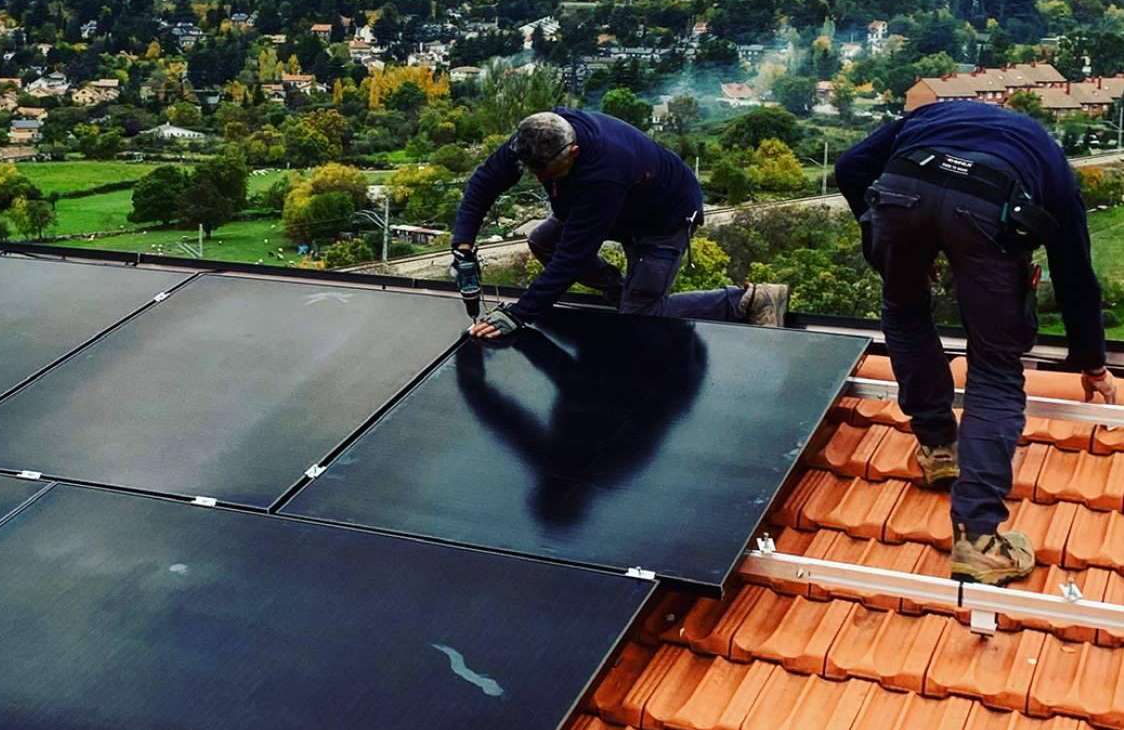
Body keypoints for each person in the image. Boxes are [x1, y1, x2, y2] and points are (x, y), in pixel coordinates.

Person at [835, 100, 1118, 586]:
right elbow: (1075, 275)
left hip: (903, 190)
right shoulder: (1048, 158)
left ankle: (939, 448)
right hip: (991, 207)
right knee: (994, 366)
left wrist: (883, 243)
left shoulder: (930, 115)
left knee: (904, 311)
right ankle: (979, 539)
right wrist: (1092, 362)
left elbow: (850, 167)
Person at [451, 109, 790, 341]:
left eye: (547, 173)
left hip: (662, 220)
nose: (540, 178)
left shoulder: (604, 172)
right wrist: (463, 245)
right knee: (542, 241)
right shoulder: (537, 136)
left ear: (573, 151)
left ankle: (746, 300)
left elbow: (572, 257)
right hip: (622, 208)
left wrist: (518, 314)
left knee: (638, 318)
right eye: (534, 171)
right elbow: (484, 182)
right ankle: (623, 293)